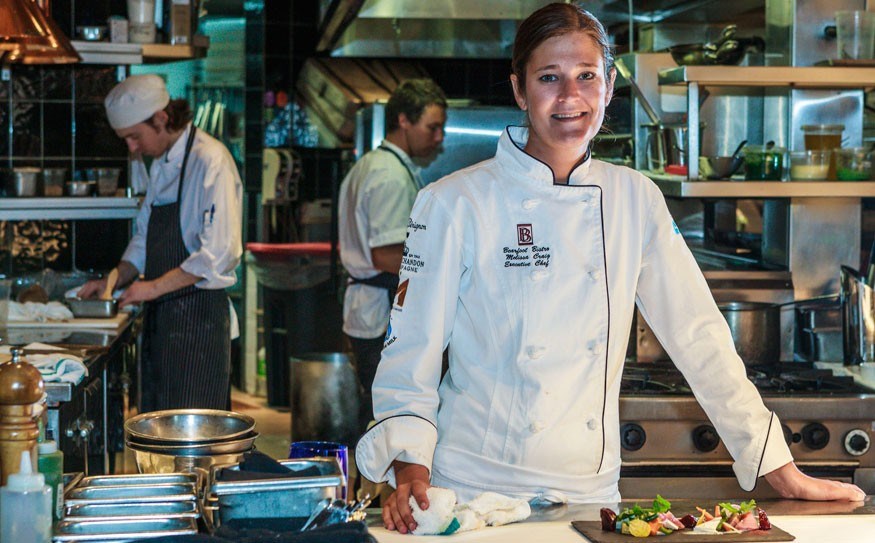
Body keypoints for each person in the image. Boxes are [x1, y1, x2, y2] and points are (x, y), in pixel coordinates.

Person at [354, 3, 867, 534]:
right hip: (473, 493)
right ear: (519, 89)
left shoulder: (634, 198)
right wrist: (410, 468)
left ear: (608, 86)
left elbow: (698, 334)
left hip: (589, 495)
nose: (569, 97)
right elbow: (410, 349)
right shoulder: (453, 202)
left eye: (586, 76)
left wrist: (776, 467)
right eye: (548, 78)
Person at [78, 74, 243, 412]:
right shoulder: (162, 166)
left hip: (200, 326)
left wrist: (149, 289)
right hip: (161, 325)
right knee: (157, 429)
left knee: (197, 441)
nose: (132, 148)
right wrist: (113, 279)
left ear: (162, 119)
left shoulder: (211, 160)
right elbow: (143, 238)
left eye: (135, 137)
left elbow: (218, 254)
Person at [338, 78, 447, 429]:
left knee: (380, 413)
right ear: (403, 120)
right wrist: (443, 274)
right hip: (380, 312)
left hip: (371, 308)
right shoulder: (388, 175)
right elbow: (384, 255)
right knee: (387, 418)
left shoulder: (377, 165)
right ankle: (378, 484)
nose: (439, 137)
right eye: (433, 127)